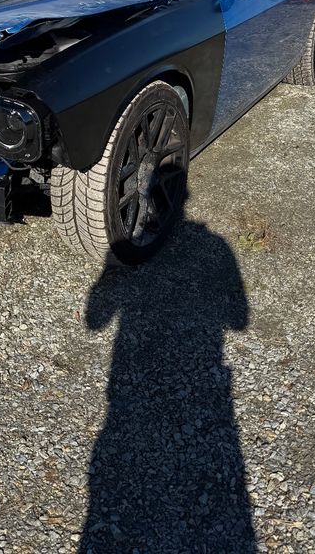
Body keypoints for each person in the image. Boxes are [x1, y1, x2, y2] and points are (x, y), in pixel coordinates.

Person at [81, 218, 256, 554]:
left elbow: (94, 320)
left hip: (123, 379)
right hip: (204, 372)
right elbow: (239, 320)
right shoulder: (218, 247)